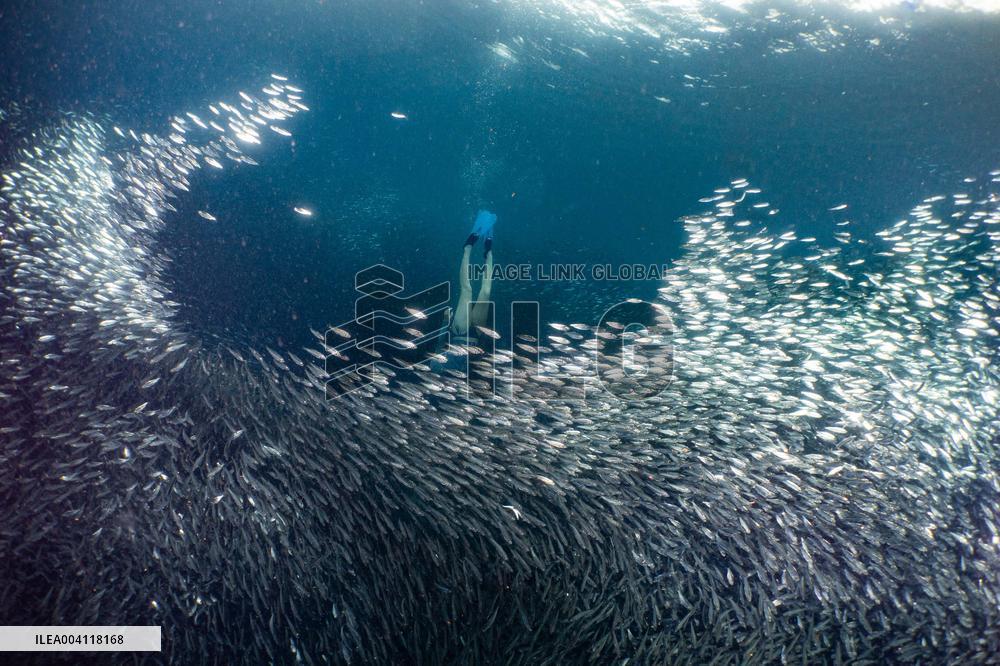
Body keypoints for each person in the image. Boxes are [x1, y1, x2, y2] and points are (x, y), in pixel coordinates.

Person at [450, 209, 497, 346]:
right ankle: (489, 251)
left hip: (460, 332)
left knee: (467, 290)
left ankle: (467, 248)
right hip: (476, 337)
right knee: (485, 292)